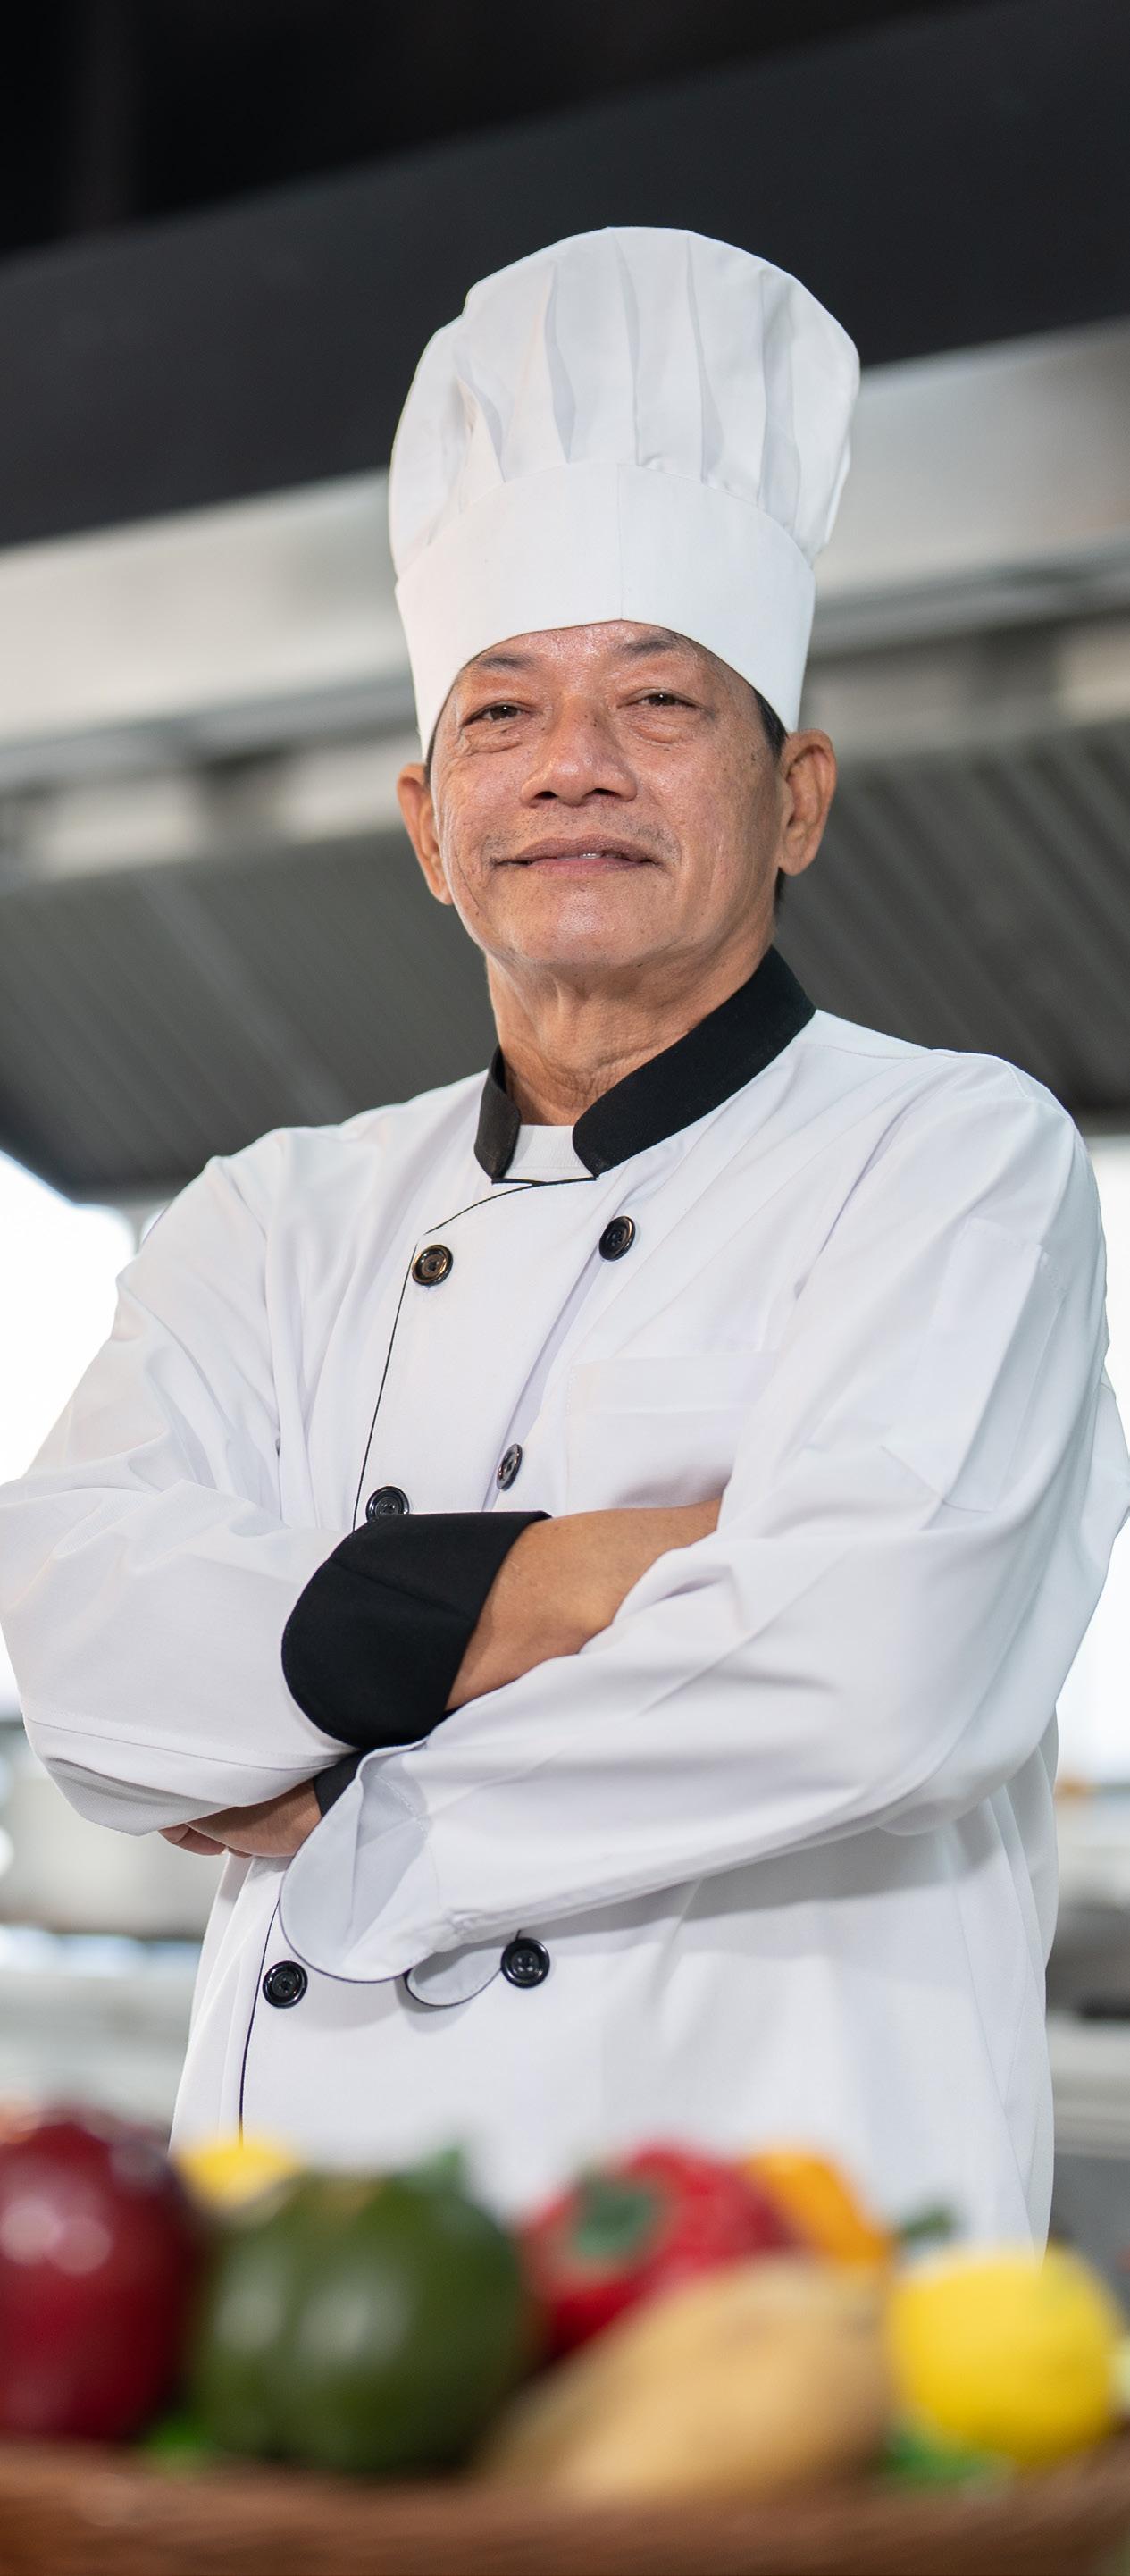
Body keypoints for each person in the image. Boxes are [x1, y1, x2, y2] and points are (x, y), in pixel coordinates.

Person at [1, 228, 1126, 2243]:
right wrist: (604, 1568)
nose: (572, 767)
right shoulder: (273, 1214)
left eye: (658, 700)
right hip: (309, 2284)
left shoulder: (951, 1157)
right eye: (503, 711)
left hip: (760, 2286)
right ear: (428, 825)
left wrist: (337, 1781)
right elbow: (83, 1652)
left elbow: (869, 1671)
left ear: (798, 796)